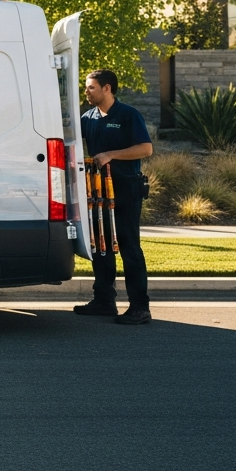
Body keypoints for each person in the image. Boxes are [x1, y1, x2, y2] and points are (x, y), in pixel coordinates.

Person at [74, 70, 154, 325]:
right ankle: (104, 302)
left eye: (91, 87)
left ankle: (140, 308)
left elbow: (146, 148)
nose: (86, 91)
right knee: (102, 245)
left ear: (107, 88)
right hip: (98, 190)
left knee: (129, 246)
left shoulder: (128, 115)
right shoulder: (88, 118)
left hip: (126, 187)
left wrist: (111, 154)